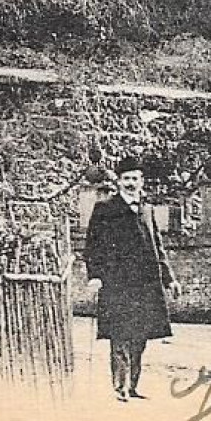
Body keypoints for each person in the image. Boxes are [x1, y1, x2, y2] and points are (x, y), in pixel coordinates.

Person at [85, 157, 178, 403]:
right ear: (118, 181)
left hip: (145, 285)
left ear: (141, 181)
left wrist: (169, 279)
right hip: (117, 283)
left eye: (135, 178)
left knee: (140, 337)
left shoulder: (147, 210)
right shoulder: (105, 209)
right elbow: (93, 246)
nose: (130, 183)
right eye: (126, 178)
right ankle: (120, 386)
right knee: (119, 334)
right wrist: (95, 275)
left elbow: (158, 247)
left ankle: (133, 386)